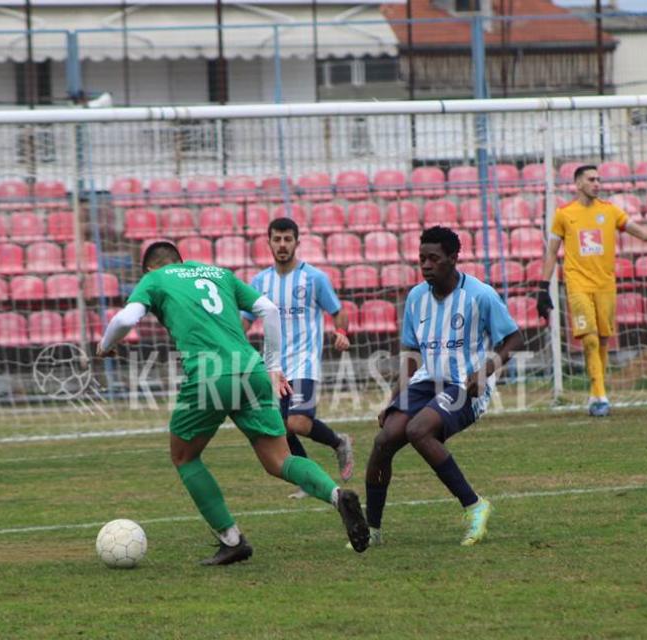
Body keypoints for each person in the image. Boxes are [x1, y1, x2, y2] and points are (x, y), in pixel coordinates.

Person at [97, 241, 370, 565]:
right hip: (252, 370)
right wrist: (273, 366)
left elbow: (126, 319)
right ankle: (337, 496)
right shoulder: (219, 274)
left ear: (150, 268)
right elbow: (268, 310)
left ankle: (232, 539)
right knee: (279, 460)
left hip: (209, 374)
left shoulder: (156, 279)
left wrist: (104, 346)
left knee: (184, 457)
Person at [359, 226, 523, 549]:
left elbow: (514, 338)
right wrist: (394, 397)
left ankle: (475, 505)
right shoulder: (416, 298)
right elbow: (410, 354)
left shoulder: (480, 295)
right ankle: (371, 531)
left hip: (464, 384)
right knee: (384, 440)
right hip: (426, 381)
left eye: (433, 258)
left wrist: (486, 369)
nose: (426, 265)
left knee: (419, 430)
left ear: (453, 258)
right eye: (421, 258)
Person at [535, 164, 647, 417]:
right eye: (591, 179)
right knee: (590, 338)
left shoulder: (610, 211)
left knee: (603, 340)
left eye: (599, 179)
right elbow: (551, 252)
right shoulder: (563, 214)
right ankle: (601, 396)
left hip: (605, 285)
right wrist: (542, 287)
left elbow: (642, 233)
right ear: (578, 183)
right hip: (578, 284)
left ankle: (596, 394)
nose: (597, 183)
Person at [241, 218, 354, 499]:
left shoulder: (314, 279)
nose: (282, 245)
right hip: (273, 368)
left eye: (287, 239)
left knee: (297, 423)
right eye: (277, 239)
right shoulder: (260, 282)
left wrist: (340, 332)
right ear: (268, 243)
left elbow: (339, 312)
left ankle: (339, 442)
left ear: (296, 243)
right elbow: (244, 320)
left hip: (304, 362)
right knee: (279, 428)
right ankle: (307, 478)